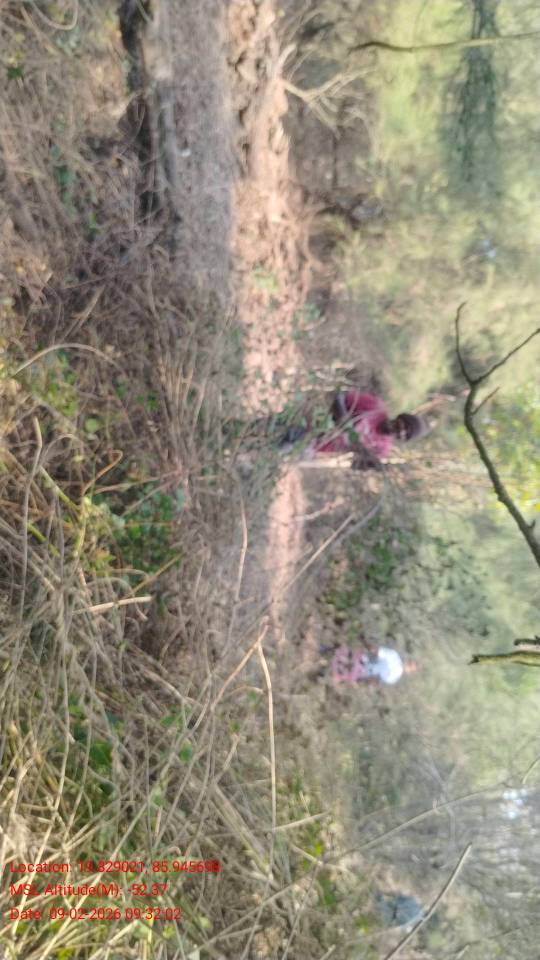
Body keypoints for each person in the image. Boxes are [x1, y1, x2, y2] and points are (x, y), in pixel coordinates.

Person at [281, 390, 428, 466]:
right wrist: (343, 418)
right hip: (307, 424)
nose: (402, 431)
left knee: (278, 451)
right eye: (405, 425)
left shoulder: (382, 449)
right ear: (401, 417)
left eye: (406, 434)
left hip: (312, 448)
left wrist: (368, 463)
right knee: (274, 429)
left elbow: (356, 464)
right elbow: (340, 397)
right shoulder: (376, 407)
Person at [322, 640, 418, 686]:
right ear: (408, 672)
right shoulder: (394, 679)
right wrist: (359, 681)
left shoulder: (394, 656)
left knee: (342, 652)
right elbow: (375, 680)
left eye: (409, 663)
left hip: (363, 661)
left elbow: (374, 650)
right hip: (362, 674)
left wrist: (364, 641)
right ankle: (324, 673)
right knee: (339, 676)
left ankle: (324, 651)